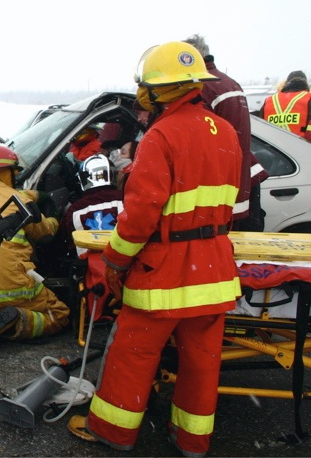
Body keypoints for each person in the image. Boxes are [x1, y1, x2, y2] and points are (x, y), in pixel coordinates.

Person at [68, 42, 242, 457]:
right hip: (214, 270)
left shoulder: (162, 135)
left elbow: (141, 215)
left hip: (165, 271)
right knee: (201, 363)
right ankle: (192, 440)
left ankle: (113, 431)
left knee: (133, 352)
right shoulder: (226, 131)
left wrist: (115, 260)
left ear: (156, 91)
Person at [0, 145, 69, 344]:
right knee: (59, 314)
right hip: (12, 292)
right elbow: (47, 234)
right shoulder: (21, 202)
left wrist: (33, 195)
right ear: (10, 173)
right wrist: (54, 216)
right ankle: (17, 321)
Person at [184, 34, 268, 231]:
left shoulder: (201, 87)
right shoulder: (228, 82)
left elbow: (199, 143)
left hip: (223, 186)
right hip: (243, 177)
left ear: (190, 60)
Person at [260, 69, 311, 141]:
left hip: (271, 146)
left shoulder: (269, 101)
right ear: (305, 83)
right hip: (300, 146)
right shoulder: (308, 98)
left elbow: (260, 129)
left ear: (286, 83)